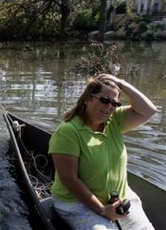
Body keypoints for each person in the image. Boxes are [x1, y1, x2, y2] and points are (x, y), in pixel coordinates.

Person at [49, 74, 158, 229]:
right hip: (77, 204)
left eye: (114, 103)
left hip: (120, 199)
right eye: (104, 100)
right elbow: (69, 179)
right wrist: (102, 210)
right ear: (87, 98)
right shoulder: (68, 131)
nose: (109, 106)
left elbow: (149, 110)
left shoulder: (115, 120)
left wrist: (121, 83)